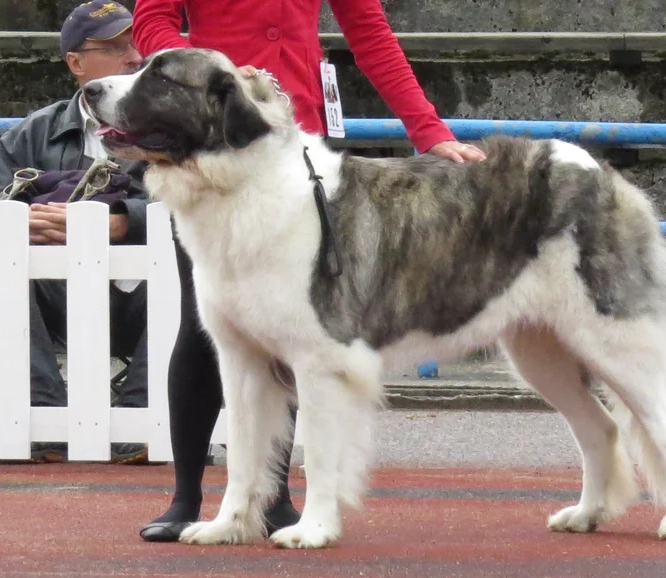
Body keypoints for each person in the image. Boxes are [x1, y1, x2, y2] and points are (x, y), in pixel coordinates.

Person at [132, 0, 487, 542]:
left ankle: (274, 500)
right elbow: (151, 17)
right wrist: (214, 73)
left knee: (302, 332)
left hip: (297, 144)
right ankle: (187, 496)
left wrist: (427, 130)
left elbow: (369, 31)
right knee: (205, 328)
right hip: (217, 130)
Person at [0, 1, 150, 464]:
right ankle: (43, 413)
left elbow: (208, 209)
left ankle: (144, 418)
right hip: (53, 295)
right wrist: (17, 220)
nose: (134, 57)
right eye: (116, 47)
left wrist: (127, 220)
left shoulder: (180, 127)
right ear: (74, 63)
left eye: (138, 43)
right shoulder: (31, 132)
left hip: (143, 294)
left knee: (201, 273)